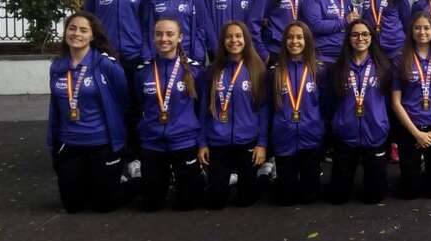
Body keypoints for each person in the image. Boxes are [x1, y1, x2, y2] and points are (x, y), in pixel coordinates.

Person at [47, 11, 129, 213]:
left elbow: (123, 101)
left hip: (101, 144)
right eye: (72, 28)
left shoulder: (106, 65)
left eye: (84, 30)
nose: (76, 34)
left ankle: (133, 180)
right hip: (70, 143)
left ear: (93, 36)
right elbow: (56, 106)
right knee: (72, 206)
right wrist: (54, 143)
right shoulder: (57, 66)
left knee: (104, 206)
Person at [135, 18, 204, 211]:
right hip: (152, 142)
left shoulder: (194, 70)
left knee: (187, 205)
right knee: (150, 205)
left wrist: (199, 139)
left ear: (180, 37)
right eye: (158, 34)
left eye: (169, 34)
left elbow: (202, 107)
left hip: (184, 141)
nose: (163, 38)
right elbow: (139, 104)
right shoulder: (143, 71)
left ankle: (195, 178)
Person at [198, 21, 267, 209]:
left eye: (238, 36)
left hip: (247, 140)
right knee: (216, 202)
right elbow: (204, 109)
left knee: (246, 201)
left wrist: (262, 144)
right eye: (229, 36)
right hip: (218, 141)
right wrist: (202, 143)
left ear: (245, 39)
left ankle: (262, 176)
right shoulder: (211, 71)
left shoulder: (257, 69)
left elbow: (263, 110)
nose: (234, 40)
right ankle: (221, 180)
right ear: (222, 41)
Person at [391, 12, 431, 199]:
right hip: (410, 128)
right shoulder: (400, 58)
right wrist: (417, 134)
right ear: (411, 31)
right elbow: (396, 102)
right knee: (409, 193)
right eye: (417, 28)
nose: (422, 32)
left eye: (426, 28)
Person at [328, 19, 392, 204]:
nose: (360, 38)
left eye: (365, 34)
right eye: (355, 34)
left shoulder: (384, 68)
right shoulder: (337, 69)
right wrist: (337, 125)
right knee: (338, 198)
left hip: (375, 135)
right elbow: (330, 103)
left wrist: (383, 124)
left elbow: (388, 101)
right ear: (348, 38)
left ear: (372, 37)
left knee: (375, 197)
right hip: (346, 136)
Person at [265, 22, 324, 205]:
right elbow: (268, 108)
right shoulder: (274, 73)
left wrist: (320, 129)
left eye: (299, 37)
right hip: (284, 138)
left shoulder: (319, 70)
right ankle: (269, 175)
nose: (294, 41)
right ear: (284, 41)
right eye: (290, 37)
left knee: (310, 198)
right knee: (286, 199)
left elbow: (326, 105)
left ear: (307, 40)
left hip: (311, 138)